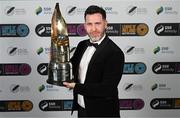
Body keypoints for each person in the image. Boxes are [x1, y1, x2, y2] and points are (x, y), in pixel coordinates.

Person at [63, 5, 124, 117]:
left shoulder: (114, 52)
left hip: (103, 112)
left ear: (105, 24)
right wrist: (57, 59)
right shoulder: (82, 45)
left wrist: (76, 87)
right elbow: (70, 67)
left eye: (98, 23)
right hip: (82, 109)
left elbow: (106, 89)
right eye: (89, 24)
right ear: (85, 25)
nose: (94, 29)